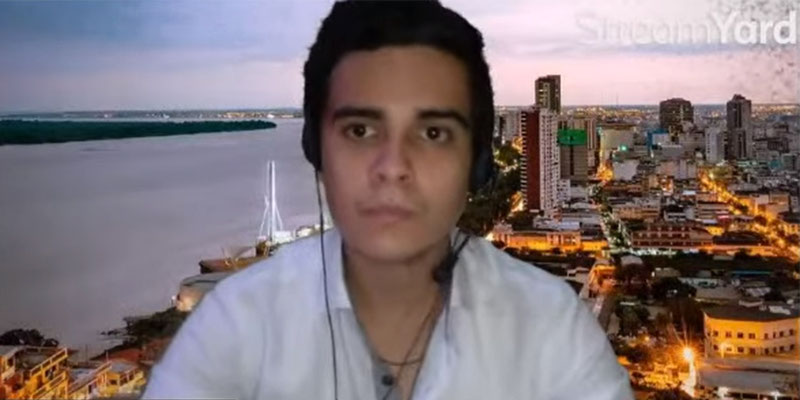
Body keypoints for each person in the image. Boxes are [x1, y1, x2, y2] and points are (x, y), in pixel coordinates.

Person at [142, 1, 633, 399]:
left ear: (477, 162)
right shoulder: (236, 326)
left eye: (433, 132)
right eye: (360, 130)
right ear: (317, 150)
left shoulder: (552, 328)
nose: (393, 166)